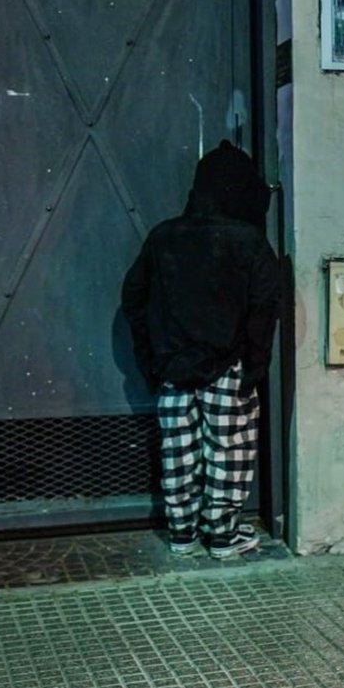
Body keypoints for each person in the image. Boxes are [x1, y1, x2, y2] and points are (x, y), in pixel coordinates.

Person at [122, 140, 281, 559]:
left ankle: (182, 533)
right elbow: (264, 308)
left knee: (178, 450)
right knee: (229, 450)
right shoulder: (248, 241)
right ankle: (223, 535)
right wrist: (255, 367)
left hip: (173, 367)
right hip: (228, 367)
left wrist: (150, 361)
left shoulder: (163, 236)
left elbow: (133, 297)